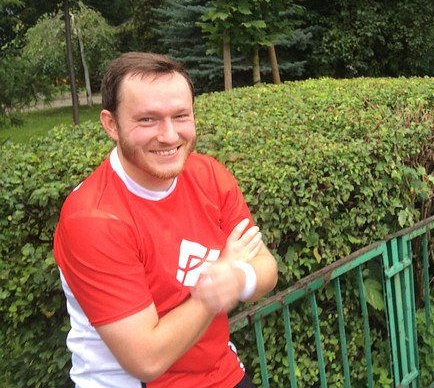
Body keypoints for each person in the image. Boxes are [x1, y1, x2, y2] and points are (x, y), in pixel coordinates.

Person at [53, 52, 279, 387]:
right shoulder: (92, 219)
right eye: (148, 120)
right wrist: (212, 290)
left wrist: (238, 277)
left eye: (180, 116)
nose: (170, 136)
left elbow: (266, 267)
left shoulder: (208, 175)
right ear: (111, 124)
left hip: (221, 374)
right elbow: (147, 359)